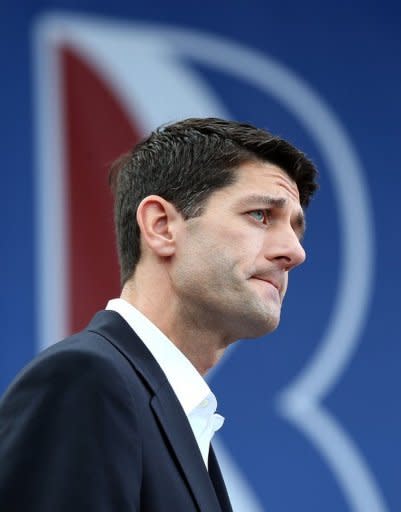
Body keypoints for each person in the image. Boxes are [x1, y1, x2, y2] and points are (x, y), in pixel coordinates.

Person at [0, 118, 318, 511]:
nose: (295, 251)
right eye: (260, 215)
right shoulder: (87, 381)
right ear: (162, 226)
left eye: (296, 230)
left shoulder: (170, 412)